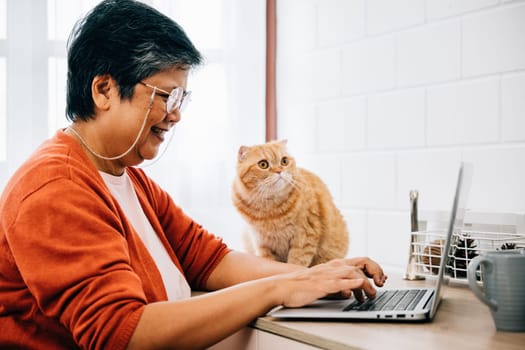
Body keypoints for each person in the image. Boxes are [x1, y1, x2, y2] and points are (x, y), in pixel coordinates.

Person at [0, 0, 387, 349]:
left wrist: (319, 278)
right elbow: (122, 333)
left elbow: (208, 259)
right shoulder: (55, 189)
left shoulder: (125, 175)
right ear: (104, 90)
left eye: (181, 98)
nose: (176, 113)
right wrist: (279, 287)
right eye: (165, 95)